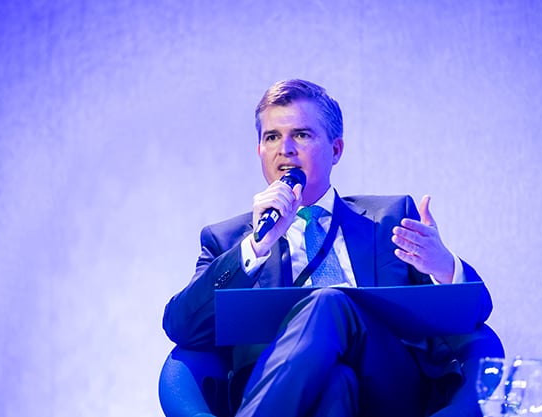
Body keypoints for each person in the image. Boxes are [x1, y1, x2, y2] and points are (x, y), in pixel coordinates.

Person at [162, 79, 494, 417]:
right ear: (260, 150)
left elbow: (476, 312)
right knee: (336, 383)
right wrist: (257, 248)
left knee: (329, 301)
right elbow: (182, 327)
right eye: (272, 137)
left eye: (301, 135)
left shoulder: (390, 220)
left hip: (389, 387)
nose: (285, 148)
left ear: (336, 150)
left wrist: (443, 266)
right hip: (287, 398)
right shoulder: (229, 240)